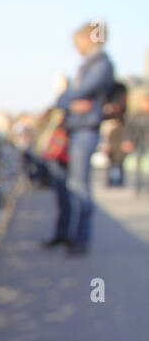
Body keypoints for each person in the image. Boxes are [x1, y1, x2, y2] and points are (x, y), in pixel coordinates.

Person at [46, 23, 115, 256]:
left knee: (79, 186)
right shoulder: (88, 65)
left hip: (85, 129)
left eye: (78, 42)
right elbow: (67, 98)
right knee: (66, 185)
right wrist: (66, 101)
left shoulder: (101, 64)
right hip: (75, 128)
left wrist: (66, 99)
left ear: (90, 39)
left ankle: (80, 238)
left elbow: (79, 92)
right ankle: (66, 234)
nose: (76, 48)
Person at [123, 93, 149, 197]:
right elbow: (128, 130)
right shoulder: (135, 116)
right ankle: (137, 187)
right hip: (137, 143)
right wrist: (127, 141)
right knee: (136, 166)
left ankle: (146, 187)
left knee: (146, 167)